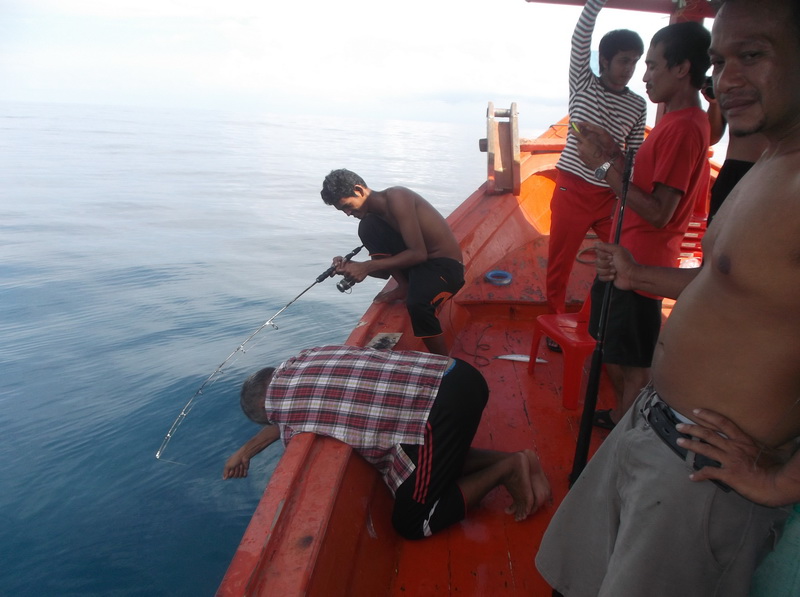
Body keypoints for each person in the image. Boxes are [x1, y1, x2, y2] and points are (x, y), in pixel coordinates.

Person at [536, 0, 800, 594]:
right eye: (720, 61)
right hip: (652, 426)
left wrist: (782, 482)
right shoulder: (767, 165)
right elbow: (725, 285)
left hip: (701, 478)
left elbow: (658, 207)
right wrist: (637, 276)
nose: (726, 81)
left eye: (752, 57)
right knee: (571, 575)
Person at [223, 345, 551, 540]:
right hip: (457, 374)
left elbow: (284, 422)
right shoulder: (304, 358)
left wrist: (247, 449)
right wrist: (246, 450)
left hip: (438, 411)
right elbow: (284, 414)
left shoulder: (291, 424)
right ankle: (518, 459)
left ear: (269, 415)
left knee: (412, 522)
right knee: (433, 462)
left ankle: (508, 469)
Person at [571, 20, 711, 429]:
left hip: (639, 262)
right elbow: (644, 178)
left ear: (681, 68)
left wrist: (601, 166)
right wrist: (615, 151)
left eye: (651, 66)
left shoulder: (684, 127)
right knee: (612, 348)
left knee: (631, 363)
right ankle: (621, 416)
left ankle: (624, 432)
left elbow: (658, 211)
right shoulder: (672, 121)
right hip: (623, 254)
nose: (644, 75)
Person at [545, 0, 646, 347]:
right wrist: (595, 4)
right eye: (623, 60)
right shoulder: (582, 83)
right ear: (604, 61)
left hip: (608, 194)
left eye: (635, 61)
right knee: (559, 264)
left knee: (619, 256)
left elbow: (633, 156)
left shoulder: (638, 105)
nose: (629, 68)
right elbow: (579, 40)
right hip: (572, 189)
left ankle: (591, 318)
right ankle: (554, 320)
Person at [321, 169, 464, 356]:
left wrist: (366, 267)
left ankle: (443, 365)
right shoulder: (370, 220)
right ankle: (404, 286)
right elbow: (382, 271)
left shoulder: (398, 197)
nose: (348, 213)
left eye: (347, 206)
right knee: (367, 226)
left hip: (445, 267)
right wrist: (349, 266)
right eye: (343, 211)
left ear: (359, 190)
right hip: (416, 268)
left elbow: (418, 254)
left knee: (417, 304)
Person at [704, 81, 768, 224]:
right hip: (733, 172)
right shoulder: (730, 82)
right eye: (718, 63)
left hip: (775, 173)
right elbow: (710, 137)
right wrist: (714, 104)